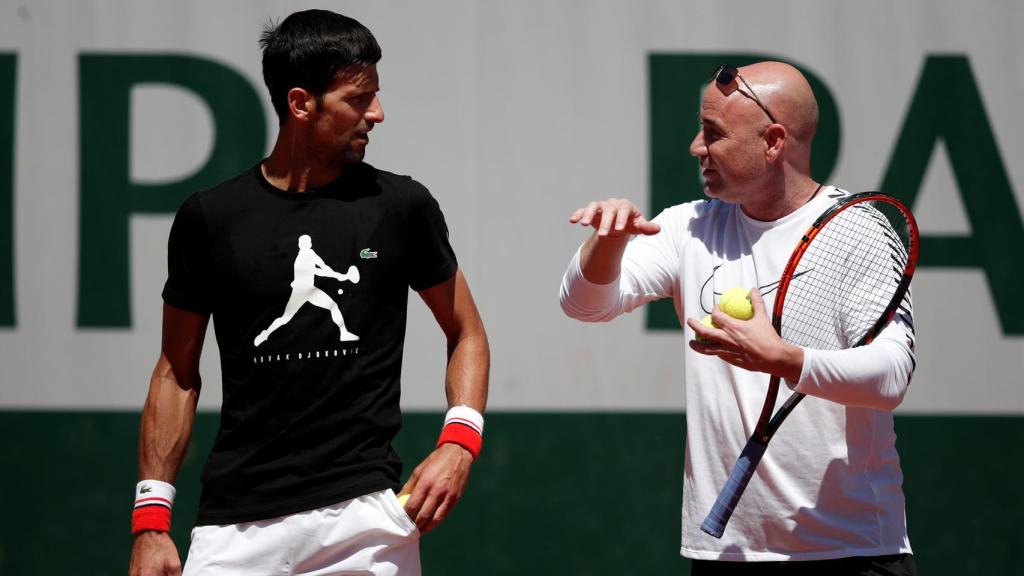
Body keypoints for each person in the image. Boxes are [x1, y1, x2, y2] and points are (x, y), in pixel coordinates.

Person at [128, 10, 489, 576]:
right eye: (358, 98)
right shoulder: (209, 218)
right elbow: (176, 371)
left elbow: (465, 330)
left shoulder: (402, 207)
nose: (377, 113)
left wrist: (459, 443)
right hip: (232, 532)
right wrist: (151, 522)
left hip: (365, 525)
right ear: (301, 104)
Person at [560, 62, 917, 575]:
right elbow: (583, 304)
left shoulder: (857, 231)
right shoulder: (689, 227)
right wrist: (608, 241)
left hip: (852, 551)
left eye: (713, 133)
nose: (695, 147)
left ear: (773, 142)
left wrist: (785, 359)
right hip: (726, 554)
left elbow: (890, 375)